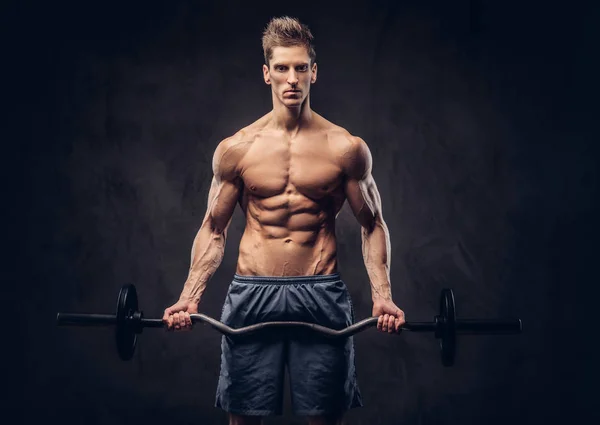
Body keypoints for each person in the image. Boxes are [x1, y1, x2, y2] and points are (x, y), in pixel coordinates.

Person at [162, 16, 406, 425]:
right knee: (243, 420)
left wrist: (382, 294)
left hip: (320, 292)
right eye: (281, 68)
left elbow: (372, 224)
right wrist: (190, 295)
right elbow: (213, 228)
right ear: (266, 73)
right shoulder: (237, 149)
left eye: (299, 68)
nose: (291, 79)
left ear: (314, 71)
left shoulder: (345, 148)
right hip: (253, 292)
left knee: (323, 418)